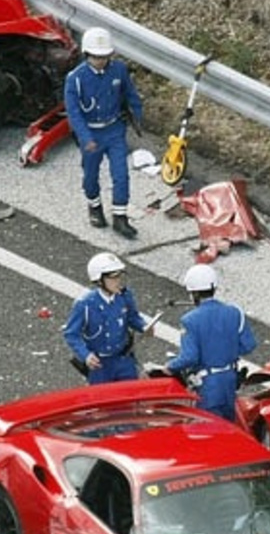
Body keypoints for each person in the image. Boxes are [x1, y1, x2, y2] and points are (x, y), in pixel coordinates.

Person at [64, 27, 144, 239]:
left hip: (115, 130)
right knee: (90, 175)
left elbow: (131, 94)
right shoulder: (75, 79)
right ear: (87, 54)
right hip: (91, 134)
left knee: (121, 175)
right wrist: (85, 138)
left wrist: (137, 115)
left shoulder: (118, 70)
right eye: (96, 57)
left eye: (104, 56)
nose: (101, 61)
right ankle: (94, 206)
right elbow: (74, 113)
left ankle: (120, 216)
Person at [163, 264, 257, 421]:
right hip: (230, 379)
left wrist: (170, 366)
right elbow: (248, 345)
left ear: (194, 293)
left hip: (208, 385)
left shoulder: (189, 320)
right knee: (228, 426)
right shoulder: (234, 312)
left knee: (208, 431)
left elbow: (190, 357)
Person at [63, 252, 152, 384]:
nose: (118, 281)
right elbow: (71, 334)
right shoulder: (85, 304)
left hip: (124, 359)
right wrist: (86, 355)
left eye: (120, 276)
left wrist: (144, 326)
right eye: (113, 277)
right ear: (99, 280)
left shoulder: (124, 296)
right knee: (103, 400)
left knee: (131, 396)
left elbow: (133, 317)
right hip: (100, 364)